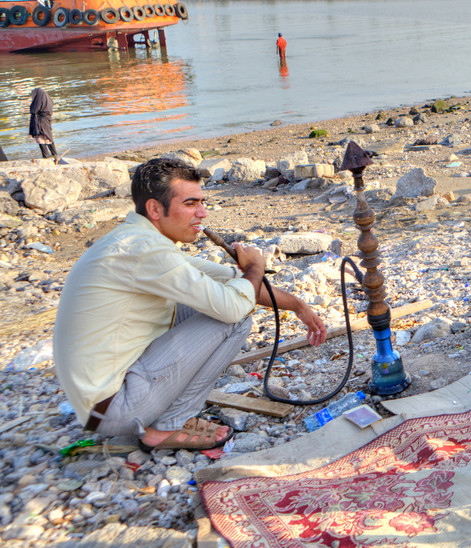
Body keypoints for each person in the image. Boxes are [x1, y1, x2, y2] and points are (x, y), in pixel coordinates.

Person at [53, 159, 328, 451]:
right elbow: (235, 305)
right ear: (155, 209)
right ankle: (165, 426)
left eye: (202, 202)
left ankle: (159, 416)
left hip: (101, 402)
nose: (202, 213)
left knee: (226, 299)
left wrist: (298, 305)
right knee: (234, 317)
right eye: (190, 203)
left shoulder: (138, 240)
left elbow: (229, 280)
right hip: (114, 410)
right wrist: (256, 269)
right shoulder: (146, 250)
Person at [29, 87, 56, 159]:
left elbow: (34, 110)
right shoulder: (47, 99)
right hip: (46, 120)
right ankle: (54, 154)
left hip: (40, 121)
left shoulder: (38, 100)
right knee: (48, 136)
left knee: (40, 137)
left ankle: (45, 156)